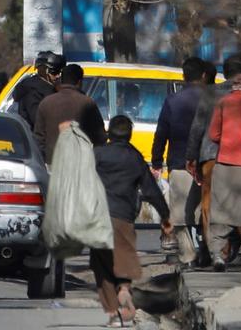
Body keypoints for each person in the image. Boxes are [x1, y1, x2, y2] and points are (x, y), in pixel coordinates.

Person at [92, 115, 171, 325]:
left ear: (109, 134)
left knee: (102, 265)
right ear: (130, 135)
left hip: (98, 217)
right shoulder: (135, 157)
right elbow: (151, 190)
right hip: (124, 218)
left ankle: (112, 312)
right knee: (123, 260)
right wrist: (165, 215)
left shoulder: (97, 154)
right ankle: (125, 290)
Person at [151, 57, 206, 264]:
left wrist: (157, 161)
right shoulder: (214, 100)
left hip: (179, 163)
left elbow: (161, 133)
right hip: (209, 164)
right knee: (205, 212)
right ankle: (207, 252)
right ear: (203, 76)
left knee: (180, 215)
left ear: (184, 76)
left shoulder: (172, 101)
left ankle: (188, 254)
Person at [187, 55, 238, 265]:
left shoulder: (210, 93)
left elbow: (198, 127)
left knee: (209, 204)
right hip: (238, 156)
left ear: (224, 73)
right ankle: (235, 250)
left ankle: (212, 251)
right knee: (238, 201)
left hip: (210, 155)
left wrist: (191, 156)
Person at [205, 61, 241, 272]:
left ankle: (217, 255)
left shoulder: (224, 102)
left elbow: (213, 135)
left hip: (225, 162)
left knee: (221, 211)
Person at [34, 63, 106, 161]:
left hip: (52, 163)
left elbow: (38, 139)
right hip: (79, 163)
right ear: (80, 82)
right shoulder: (87, 103)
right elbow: (100, 138)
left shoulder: (46, 103)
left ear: (61, 81)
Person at [12, 51, 64, 129]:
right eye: (54, 72)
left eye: (60, 72)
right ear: (44, 71)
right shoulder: (32, 91)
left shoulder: (51, 89)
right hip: (37, 139)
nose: (58, 76)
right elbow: (39, 121)